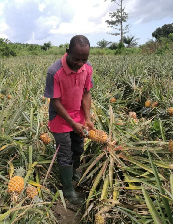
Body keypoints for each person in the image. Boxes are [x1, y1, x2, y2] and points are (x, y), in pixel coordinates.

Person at [44, 35, 94, 205]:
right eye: (76, 59)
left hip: (78, 117)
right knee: (65, 152)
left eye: (84, 59)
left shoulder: (87, 68)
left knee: (78, 147)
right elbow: (55, 101)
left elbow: (86, 92)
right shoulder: (54, 71)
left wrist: (87, 118)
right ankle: (67, 189)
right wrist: (72, 124)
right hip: (60, 119)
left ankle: (72, 172)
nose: (80, 63)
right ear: (67, 52)